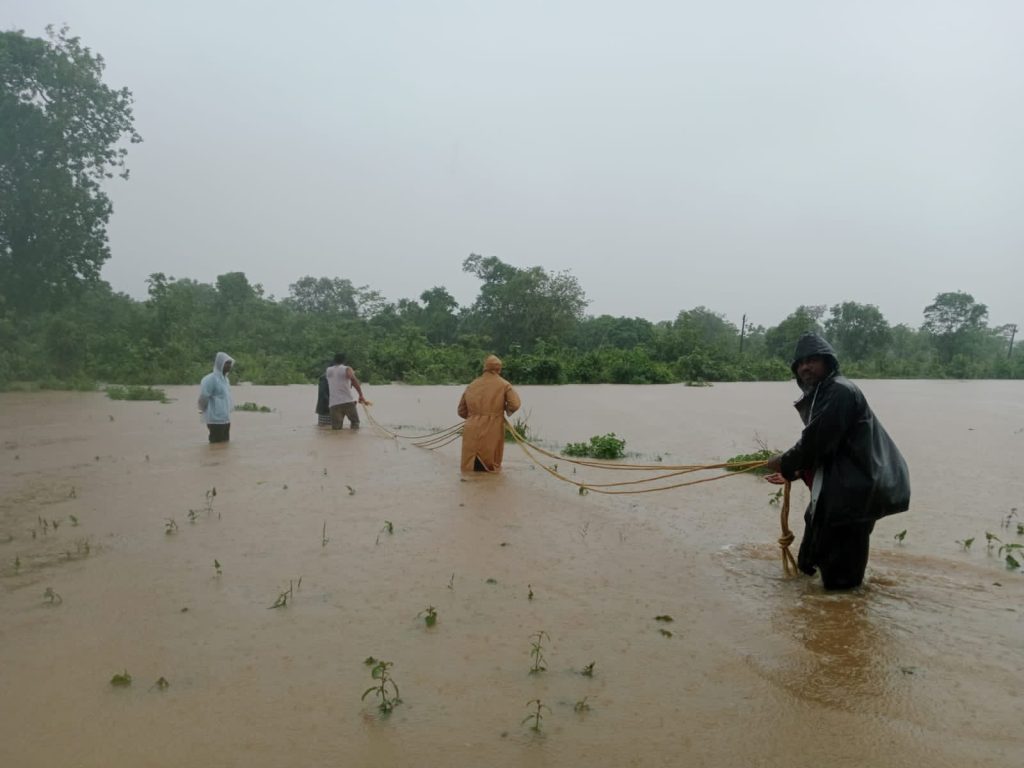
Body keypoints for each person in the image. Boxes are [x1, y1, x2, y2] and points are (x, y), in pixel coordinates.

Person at [764, 333, 910, 590]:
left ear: (828, 362)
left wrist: (784, 462)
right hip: (836, 491)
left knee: (841, 586)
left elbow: (816, 441)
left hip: (853, 497)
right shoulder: (824, 392)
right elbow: (830, 447)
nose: (805, 367)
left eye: (812, 360)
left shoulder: (840, 391)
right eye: (800, 363)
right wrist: (795, 472)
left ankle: (845, 610)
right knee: (809, 565)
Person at [457, 355, 521, 472]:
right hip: (492, 428)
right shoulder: (504, 384)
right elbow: (515, 404)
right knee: (490, 469)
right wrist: (503, 408)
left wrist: (474, 417)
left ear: (485, 368)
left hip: (471, 428)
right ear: (499, 369)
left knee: (469, 468)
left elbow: (461, 411)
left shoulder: (471, 385)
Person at [198, 351, 234, 443]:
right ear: (220, 364)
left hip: (225, 419)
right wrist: (202, 410)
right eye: (227, 363)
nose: (229, 366)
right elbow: (204, 396)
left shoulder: (225, 380)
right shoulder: (210, 379)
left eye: (230, 363)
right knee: (215, 444)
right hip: (215, 420)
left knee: (224, 445)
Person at [325, 353, 367, 429]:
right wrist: (361, 395)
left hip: (334, 404)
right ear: (344, 360)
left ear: (334, 360)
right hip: (347, 401)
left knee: (336, 429)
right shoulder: (347, 368)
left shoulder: (328, 370)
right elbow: (353, 380)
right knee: (355, 423)